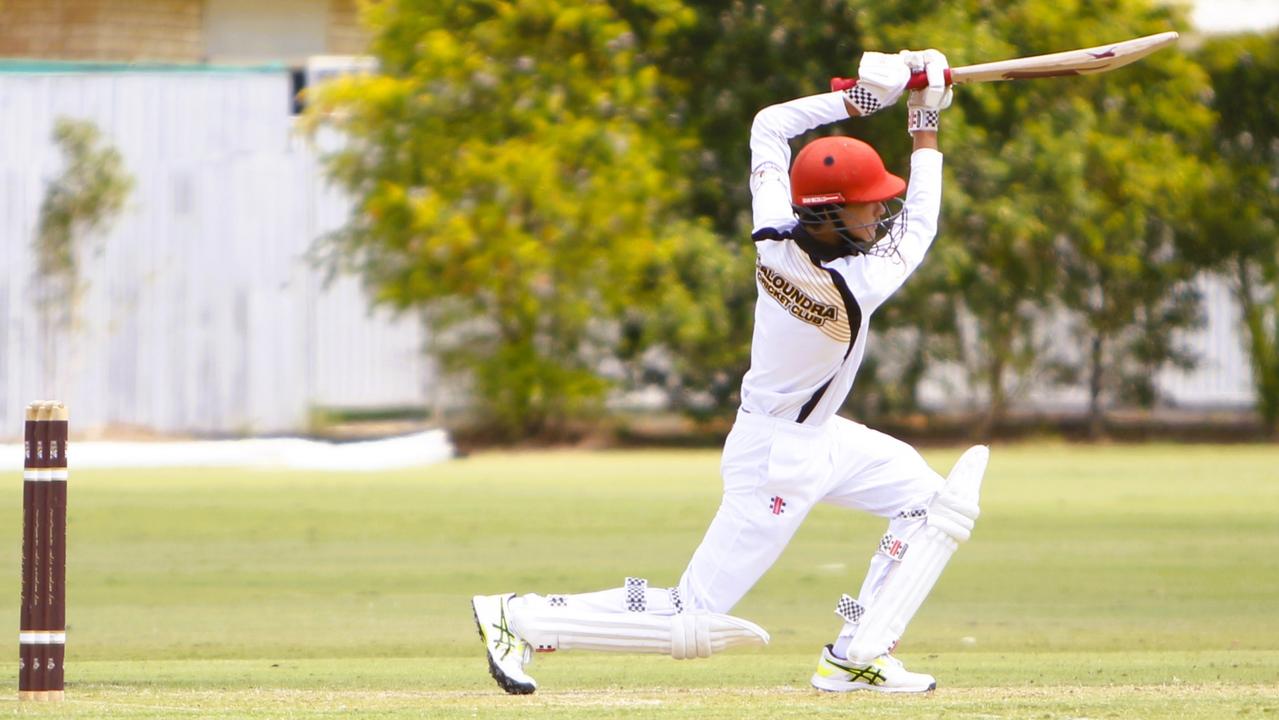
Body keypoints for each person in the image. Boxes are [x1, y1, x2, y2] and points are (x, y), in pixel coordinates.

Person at [471, 48, 989, 695]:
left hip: (817, 436)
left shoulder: (774, 229)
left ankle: (857, 650)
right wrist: (923, 123)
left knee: (927, 503)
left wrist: (860, 101)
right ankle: (519, 616)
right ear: (829, 214)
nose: (878, 212)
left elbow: (768, 126)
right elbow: (923, 223)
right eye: (866, 205)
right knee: (691, 613)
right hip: (775, 457)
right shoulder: (857, 282)